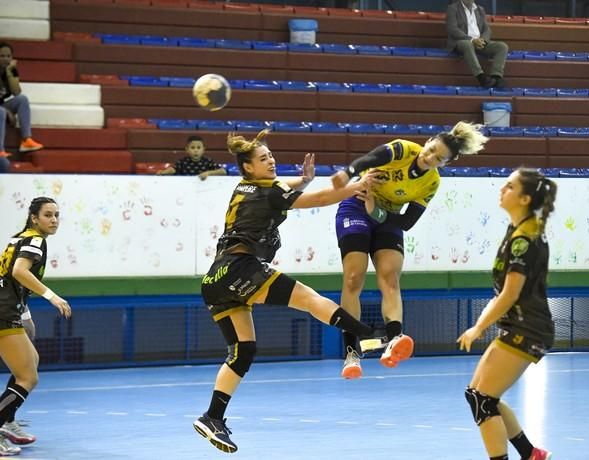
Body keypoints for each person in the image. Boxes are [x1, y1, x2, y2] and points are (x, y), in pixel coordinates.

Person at [193, 129, 380, 454]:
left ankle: (213, 417)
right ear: (249, 166)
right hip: (242, 268)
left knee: (243, 351)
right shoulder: (269, 192)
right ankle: (369, 335)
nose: (272, 160)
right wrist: (357, 187)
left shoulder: (244, 186)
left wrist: (303, 179)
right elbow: (320, 200)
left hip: (215, 279)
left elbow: (282, 189)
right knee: (309, 299)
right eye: (264, 158)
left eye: (271, 156)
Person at [330, 121, 488, 379]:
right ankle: (351, 353)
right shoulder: (403, 150)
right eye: (431, 150)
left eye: (438, 158)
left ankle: (393, 341)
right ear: (426, 142)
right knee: (353, 277)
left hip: (386, 217)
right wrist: (349, 174)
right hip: (356, 205)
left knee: (390, 277)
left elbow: (406, 222)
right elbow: (370, 158)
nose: (430, 158)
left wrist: (377, 210)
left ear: (444, 164)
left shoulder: (431, 183)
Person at [457, 168, 556, 460]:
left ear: (524, 198)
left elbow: (510, 294)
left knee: (482, 399)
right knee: (478, 395)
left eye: (510, 186)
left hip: (528, 328)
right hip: (518, 325)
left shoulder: (524, 238)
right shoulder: (520, 228)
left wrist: (478, 327)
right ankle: (531, 454)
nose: (502, 189)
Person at [0, 197, 72, 456]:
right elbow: (19, 272)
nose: (54, 220)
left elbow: (8, 277)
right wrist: (52, 296)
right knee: (27, 376)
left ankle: (7, 419)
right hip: (3, 312)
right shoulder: (35, 240)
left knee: (31, 362)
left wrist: (24, 311)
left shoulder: (19, 237)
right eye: (48, 215)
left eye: (56, 215)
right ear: (34, 218)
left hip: (9, 309)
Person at [446, 0, 509, 88]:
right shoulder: (453, 8)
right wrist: (472, 40)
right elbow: (452, 29)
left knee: (502, 46)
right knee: (467, 44)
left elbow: (487, 29)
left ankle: (496, 77)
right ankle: (481, 77)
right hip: (462, 41)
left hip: (479, 41)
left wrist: (483, 40)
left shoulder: (480, 9)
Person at [0, 42, 44, 158]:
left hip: (1, 106)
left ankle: (26, 140)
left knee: (22, 99)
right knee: (1, 112)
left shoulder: (11, 70)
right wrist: (7, 112)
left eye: (8, 56)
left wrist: (10, 73)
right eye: (2, 56)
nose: (6, 59)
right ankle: (0, 150)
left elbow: (16, 92)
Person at [156, 135, 226, 180]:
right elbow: (173, 169)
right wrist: (163, 172)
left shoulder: (208, 161)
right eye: (192, 147)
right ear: (187, 149)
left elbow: (223, 172)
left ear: (203, 149)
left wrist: (208, 173)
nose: (196, 150)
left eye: (198, 148)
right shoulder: (182, 162)